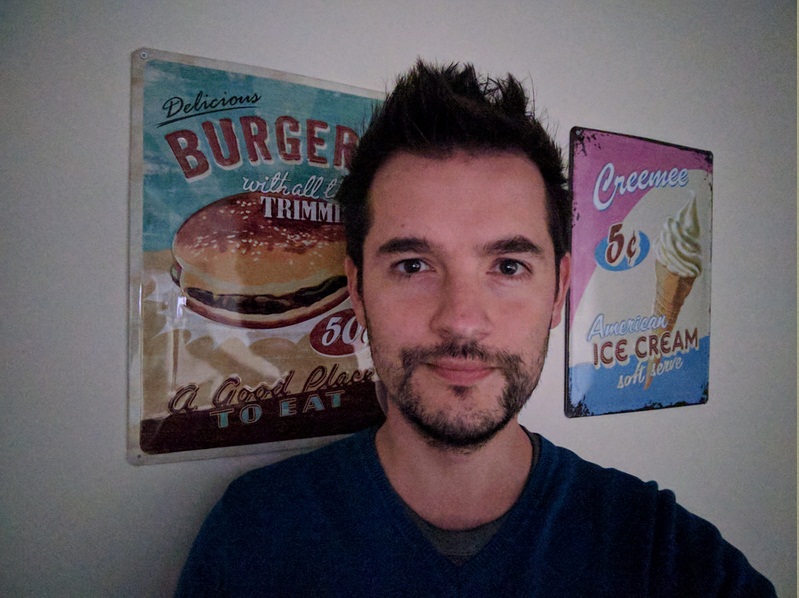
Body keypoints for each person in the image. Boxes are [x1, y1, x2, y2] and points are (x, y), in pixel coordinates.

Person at [175, 60, 775, 596]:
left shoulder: (658, 552)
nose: (461, 319)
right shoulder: (252, 538)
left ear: (559, 291)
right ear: (356, 289)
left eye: (508, 266)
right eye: (413, 266)